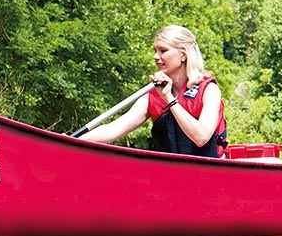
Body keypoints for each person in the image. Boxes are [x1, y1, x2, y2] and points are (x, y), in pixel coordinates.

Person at [80, 24, 229, 158]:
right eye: (155, 51)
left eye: (163, 51)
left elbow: (201, 137)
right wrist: (72, 141)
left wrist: (169, 99)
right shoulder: (151, 96)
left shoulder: (209, 90)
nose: (156, 56)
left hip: (206, 173)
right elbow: (113, 130)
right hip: (167, 173)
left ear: (183, 55)